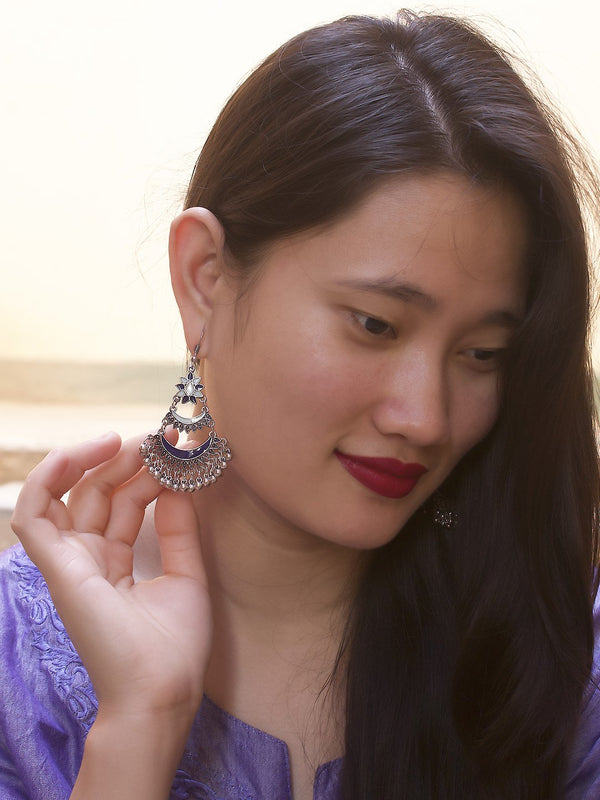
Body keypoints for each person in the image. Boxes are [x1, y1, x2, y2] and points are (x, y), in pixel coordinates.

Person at [2, 9, 600, 800]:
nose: (425, 418)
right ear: (205, 277)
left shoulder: (559, 645)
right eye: (376, 325)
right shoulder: (22, 666)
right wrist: (142, 721)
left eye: (482, 354)